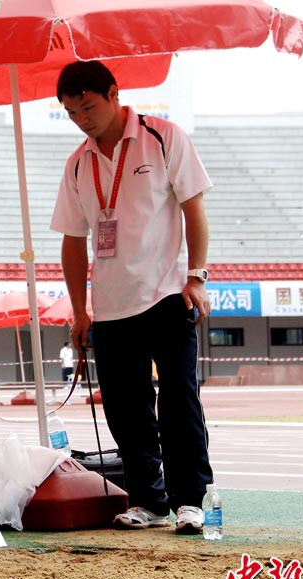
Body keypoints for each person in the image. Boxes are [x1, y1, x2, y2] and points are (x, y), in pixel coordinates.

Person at [50, 60, 214, 534]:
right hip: (109, 305)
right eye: (71, 112)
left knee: (179, 400)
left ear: (114, 93)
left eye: (88, 107)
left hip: (167, 295)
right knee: (125, 408)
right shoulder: (77, 163)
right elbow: (72, 240)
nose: (81, 119)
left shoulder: (162, 137)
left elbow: (194, 208)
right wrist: (79, 309)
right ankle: (147, 499)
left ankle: (191, 499)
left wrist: (197, 277)